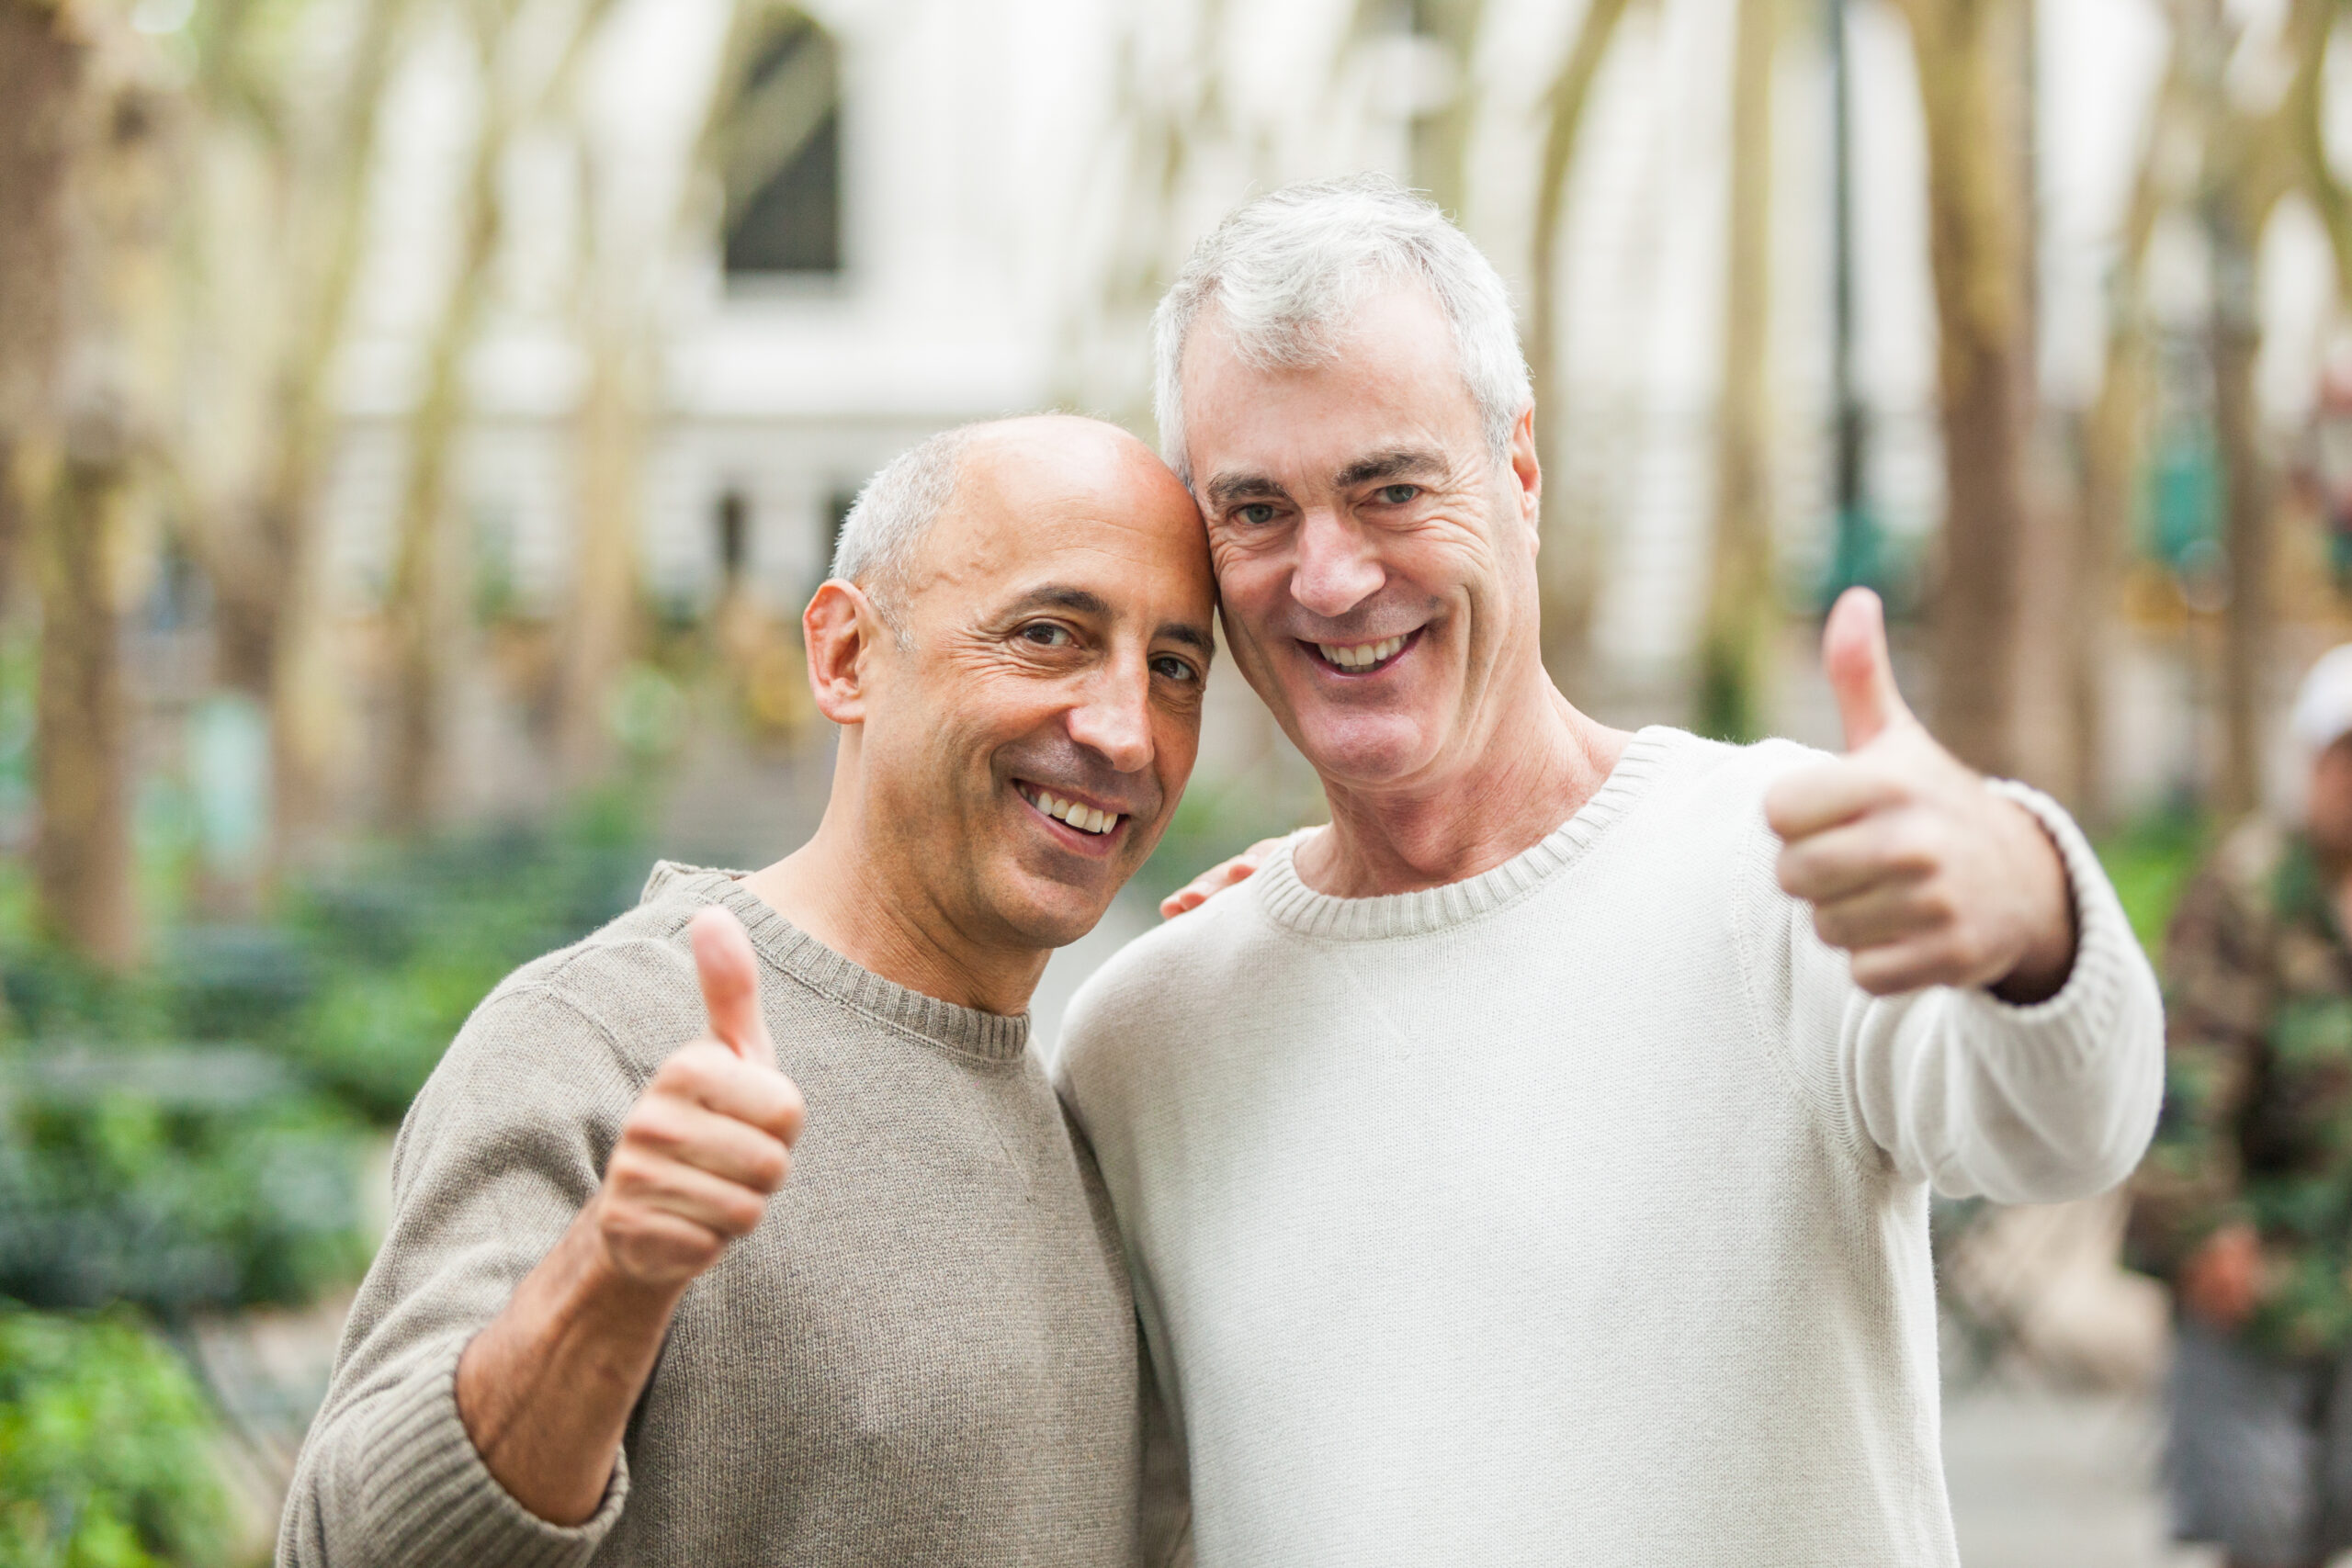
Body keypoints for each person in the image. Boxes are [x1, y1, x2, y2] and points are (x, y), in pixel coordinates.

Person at [1054, 175, 2165, 1567]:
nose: (1328, 575)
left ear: (1520, 472)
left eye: (1390, 487)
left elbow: (2071, 1128)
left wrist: (2029, 910)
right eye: (1257, 510)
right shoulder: (1147, 1034)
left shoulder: (1779, 864)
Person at [279, 415, 1212, 1568]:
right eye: (1048, 635)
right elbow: (350, 1545)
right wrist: (611, 1278)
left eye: (1173, 667)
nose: (1125, 730)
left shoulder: (1098, 1126)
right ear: (844, 656)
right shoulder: (595, 1045)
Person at [2128, 645, 2352, 1568]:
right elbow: (2181, 1074)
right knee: (2259, 1519)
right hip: (2256, 1248)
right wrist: (2203, 1227)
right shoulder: (2247, 889)